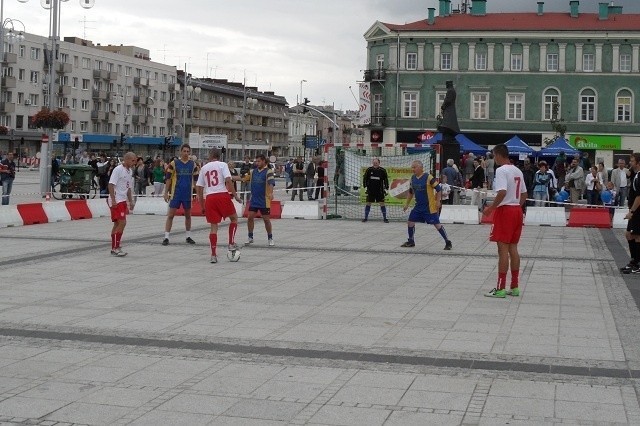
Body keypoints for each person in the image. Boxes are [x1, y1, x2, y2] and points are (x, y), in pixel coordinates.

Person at [482, 143, 527, 298]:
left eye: (494, 156)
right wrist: (516, 207)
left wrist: (491, 208)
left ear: (499, 155)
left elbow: (502, 192)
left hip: (505, 210)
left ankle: (500, 288)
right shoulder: (517, 170)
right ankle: (514, 286)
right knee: (513, 248)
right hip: (516, 209)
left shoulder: (501, 170)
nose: (494, 159)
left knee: (502, 249)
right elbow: (524, 194)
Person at [196, 148, 242, 264]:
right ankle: (231, 243)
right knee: (234, 218)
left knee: (213, 227)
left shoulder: (204, 168)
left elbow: (199, 188)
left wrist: (202, 206)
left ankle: (213, 255)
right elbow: (228, 180)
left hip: (210, 198)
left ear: (210, 156)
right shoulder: (223, 165)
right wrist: (235, 196)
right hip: (222, 195)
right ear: (219, 156)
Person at [400, 160, 452, 250]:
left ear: (420, 168)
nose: (413, 169)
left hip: (429, 207)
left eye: (414, 167)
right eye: (412, 167)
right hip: (418, 207)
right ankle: (411, 241)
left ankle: (448, 242)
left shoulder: (428, 177)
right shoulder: (413, 178)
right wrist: (407, 204)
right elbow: (411, 192)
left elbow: (439, 189)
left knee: (437, 224)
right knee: (410, 222)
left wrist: (438, 201)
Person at [162, 144, 199, 246]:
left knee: (188, 216)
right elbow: (168, 179)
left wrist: (198, 193)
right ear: (181, 152)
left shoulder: (193, 164)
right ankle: (166, 237)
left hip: (187, 194)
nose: (186, 153)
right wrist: (166, 193)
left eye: (188, 151)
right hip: (176, 194)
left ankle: (188, 236)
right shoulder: (174, 163)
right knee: (170, 215)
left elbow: (196, 180)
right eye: (184, 151)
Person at [241, 154, 276, 247]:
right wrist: (229, 177)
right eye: (256, 161)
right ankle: (250, 237)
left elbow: (271, 183)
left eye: (259, 161)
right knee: (250, 217)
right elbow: (243, 178)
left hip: (264, 200)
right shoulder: (252, 171)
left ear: (264, 161)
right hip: (254, 200)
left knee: (266, 220)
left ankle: (270, 237)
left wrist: (271, 193)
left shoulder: (268, 171)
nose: (257, 163)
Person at [108, 152, 136, 257]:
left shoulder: (130, 171)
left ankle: (115, 246)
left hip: (123, 200)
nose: (134, 163)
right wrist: (113, 200)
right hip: (117, 200)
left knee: (117, 224)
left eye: (135, 160)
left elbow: (128, 188)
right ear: (127, 159)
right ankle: (116, 247)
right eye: (133, 160)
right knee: (122, 222)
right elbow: (111, 184)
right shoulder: (118, 170)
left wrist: (131, 200)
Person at [621, 153, 640, 274]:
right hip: (633, 210)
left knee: (637, 236)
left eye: (632, 161)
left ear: (638, 163)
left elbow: (639, 197)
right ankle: (634, 261)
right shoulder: (635, 174)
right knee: (628, 235)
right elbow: (629, 175)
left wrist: (632, 211)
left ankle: (637, 264)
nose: (630, 163)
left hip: (637, 211)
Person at [362, 158, 390, 223]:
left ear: (379, 163)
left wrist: (386, 187)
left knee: (382, 204)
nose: (375, 164)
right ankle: (365, 218)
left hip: (379, 191)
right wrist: (365, 187)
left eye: (376, 163)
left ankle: (385, 218)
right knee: (368, 203)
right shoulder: (369, 170)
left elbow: (385, 179)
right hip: (370, 190)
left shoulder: (383, 170)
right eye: (374, 162)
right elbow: (365, 178)